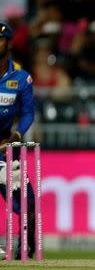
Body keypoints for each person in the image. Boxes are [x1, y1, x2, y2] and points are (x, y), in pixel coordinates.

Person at [0, 21, 36, 260]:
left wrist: (17, 135)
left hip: (4, 149)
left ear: (9, 44)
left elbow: (28, 112)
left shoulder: (21, 77)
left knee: (27, 202)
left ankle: (25, 246)